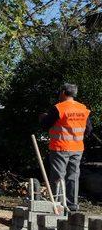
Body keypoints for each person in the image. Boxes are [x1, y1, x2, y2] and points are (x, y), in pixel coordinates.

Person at [40, 83, 92, 212]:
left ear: (63, 92)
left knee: (58, 176)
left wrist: (42, 118)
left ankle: (57, 205)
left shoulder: (58, 108)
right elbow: (89, 129)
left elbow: (45, 125)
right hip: (77, 148)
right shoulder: (83, 109)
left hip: (60, 147)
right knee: (73, 176)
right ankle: (72, 205)